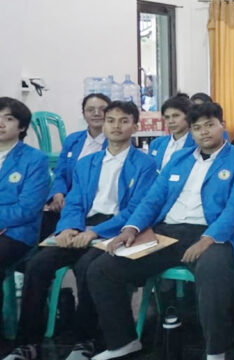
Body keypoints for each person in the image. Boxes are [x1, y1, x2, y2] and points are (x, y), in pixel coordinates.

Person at [88, 102, 234, 360]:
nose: (203, 132)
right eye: (197, 128)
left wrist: (207, 239)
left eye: (210, 125)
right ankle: (123, 342)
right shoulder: (179, 159)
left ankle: (217, 351)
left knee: (212, 271)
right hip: (168, 233)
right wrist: (131, 228)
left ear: (222, 125)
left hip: (214, 234)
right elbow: (153, 199)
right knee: (101, 269)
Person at [6, 101, 158, 360]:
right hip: (81, 224)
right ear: (104, 124)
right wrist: (68, 228)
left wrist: (96, 232)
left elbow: (136, 208)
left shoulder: (145, 164)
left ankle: (85, 340)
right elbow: (75, 200)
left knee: (88, 266)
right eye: (111, 120)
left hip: (117, 228)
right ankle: (27, 343)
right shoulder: (87, 162)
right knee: (37, 265)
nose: (116, 126)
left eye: (124, 121)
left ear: (135, 126)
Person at [0, 98, 52, 323]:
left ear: (21, 127)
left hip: (17, 233)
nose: (1, 123)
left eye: (8, 118)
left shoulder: (35, 159)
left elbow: (27, 209)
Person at [48, 94, 111, 236]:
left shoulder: (115, 142)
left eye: (102, 109)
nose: (96, 113)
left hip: (98, 202)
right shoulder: (72, 140)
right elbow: (60, 172)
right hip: (70, 201)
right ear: (83, 114)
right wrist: (58, 193)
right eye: (90, 110)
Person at [148, 96, 194, 172]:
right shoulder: (157, 143)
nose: (171, 121)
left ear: (188, 116)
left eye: (176, 116)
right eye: (167, 117)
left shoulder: (197, 144)